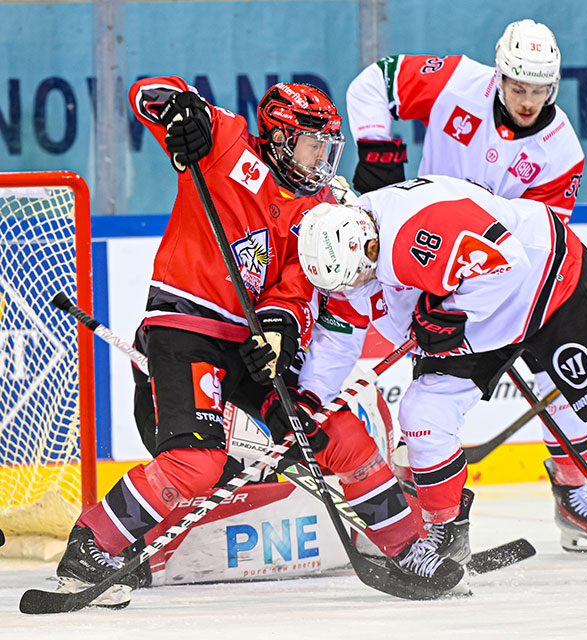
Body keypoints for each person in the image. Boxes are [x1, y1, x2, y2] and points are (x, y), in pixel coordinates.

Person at [54, 77, 463, 608]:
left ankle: (407, 547)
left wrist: (278, 332)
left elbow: (295, 285)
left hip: (251, 343)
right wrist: (178, 110)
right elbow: (149, 94)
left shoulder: (316, 205)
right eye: (314, 141)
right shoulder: (226, 142)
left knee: (338, 434)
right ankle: (90, 548)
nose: (323, 155)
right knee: (194, 464)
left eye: (328, 144)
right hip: (187, 330)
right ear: (279, 137)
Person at [293, 174, 587, 566]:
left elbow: (506, 262)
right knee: (424, 412)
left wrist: (453, 315)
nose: (361, 284)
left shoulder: (414, 230)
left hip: (549, 285)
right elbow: (337, 339)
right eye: (351, 282)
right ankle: (446, 533)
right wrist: (307, 402)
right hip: (472, 311)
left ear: (367, 240)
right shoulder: (349, 264)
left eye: (366, 270)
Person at [345, 19, 587, 553]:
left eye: (540, 90)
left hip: (501, 273)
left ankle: (572, 492)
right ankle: (423, 502)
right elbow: (372, 84)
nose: (527, 100)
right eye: (518, 87)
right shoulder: (456, 80)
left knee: (559, 375)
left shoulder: (561, 150)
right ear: (499, 75)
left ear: (555, 85)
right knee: (430, 393)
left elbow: (541, 238)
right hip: (424, 258)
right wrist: (377, 146)